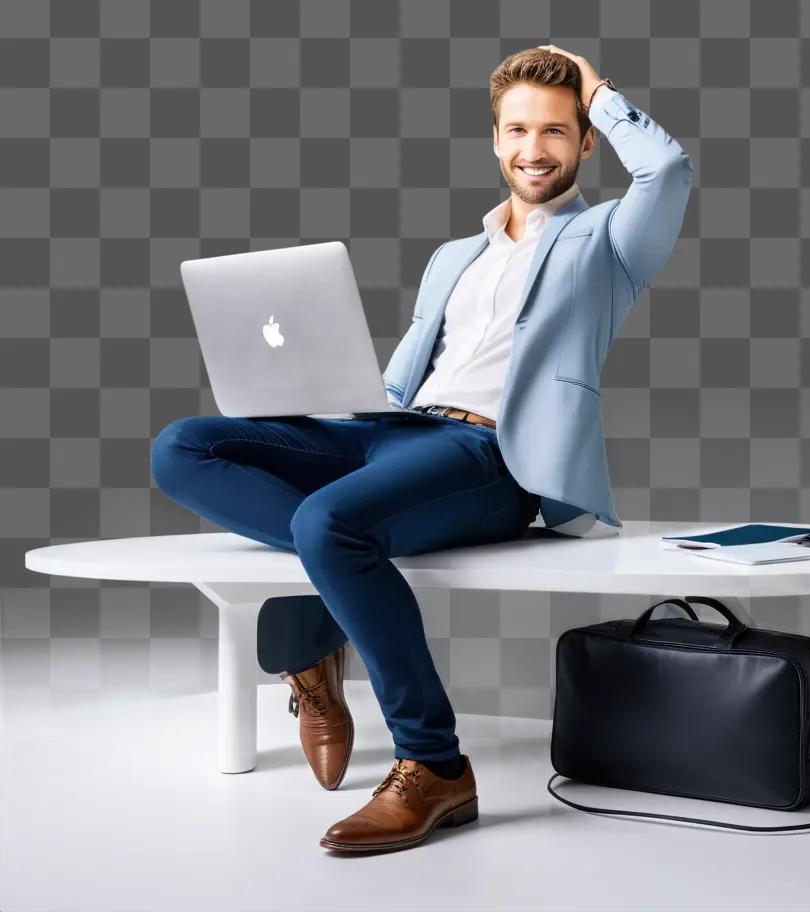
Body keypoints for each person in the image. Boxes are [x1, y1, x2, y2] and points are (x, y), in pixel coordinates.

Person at [149, 44, 694, 855]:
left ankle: (431, 763)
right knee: (183, 448)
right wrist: (335, 407)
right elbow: (411, 372)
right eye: (516, 129)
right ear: (495, 140)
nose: (532, 149)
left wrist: (600, 91)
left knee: (330, 524)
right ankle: (320, 625)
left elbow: (668, 169)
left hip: (493, 456)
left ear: (585, 144)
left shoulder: (609, 242)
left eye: (555, 130)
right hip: (391, 431)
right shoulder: (456, 256)